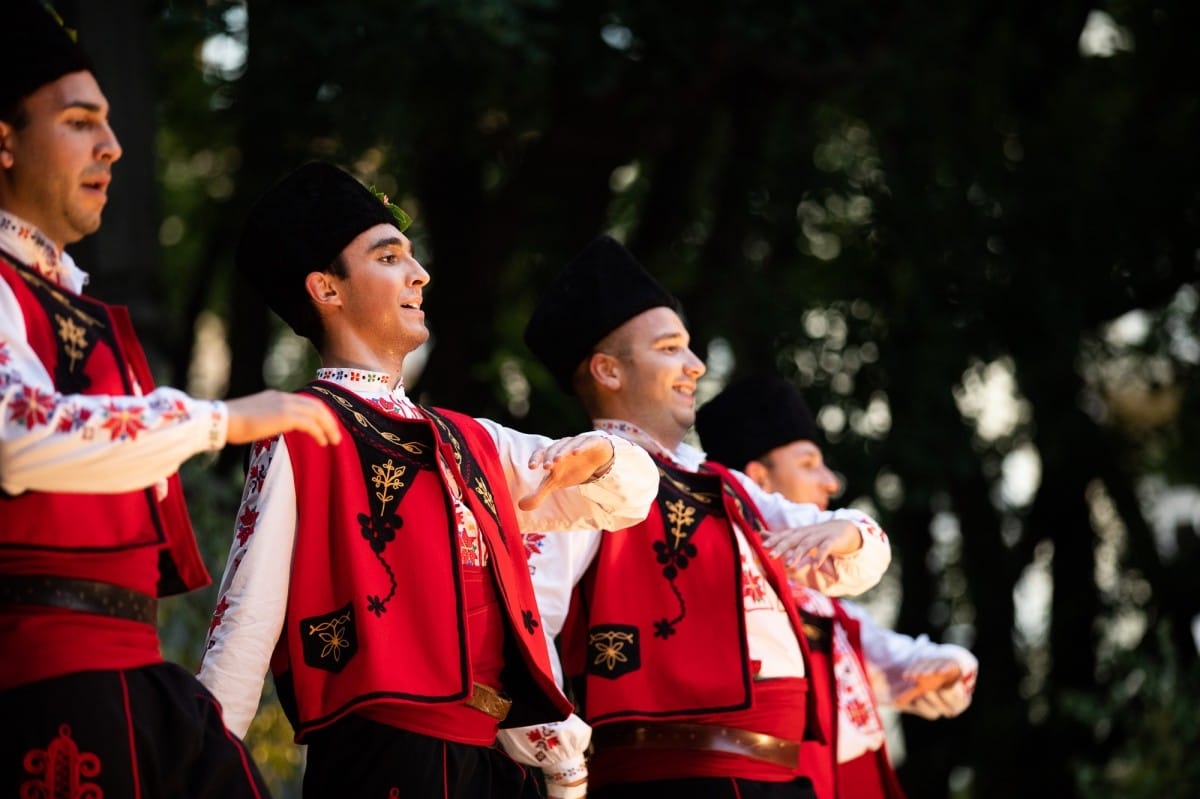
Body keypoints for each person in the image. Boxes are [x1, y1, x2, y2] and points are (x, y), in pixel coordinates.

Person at [195, 162, 659, 797]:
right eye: (389, 257)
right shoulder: (302, 432)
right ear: (327, 290)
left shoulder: (474, 440)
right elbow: (245, 621)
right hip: (386, 758)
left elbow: (627, 498)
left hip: (495, 762)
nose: (420, 274)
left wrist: (600, 455)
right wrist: (196, 766)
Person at [0, 3, 343, 797]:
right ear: (6, 140)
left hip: (138, 678)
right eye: (80, 121)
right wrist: (222, 419)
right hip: (42, 682)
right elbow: (17, 433)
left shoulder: (74, 303)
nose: (111, 146)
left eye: (109, 123)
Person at [497, 235, 893, 799]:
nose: (696, 366)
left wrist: (849, 532)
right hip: (676, 780)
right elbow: (528, 620)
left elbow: (858, 567)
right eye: (670, 348)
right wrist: (561, 759)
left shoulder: (727, 485)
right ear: (607, 370)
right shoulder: (586, 478)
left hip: (779, 776)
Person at [695, 372, 979, 799]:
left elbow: (909, 661)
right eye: (809, 464)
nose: (831, 481)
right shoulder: (727, 597)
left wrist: (949, 666)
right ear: (758, 480)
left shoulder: (831, 612)